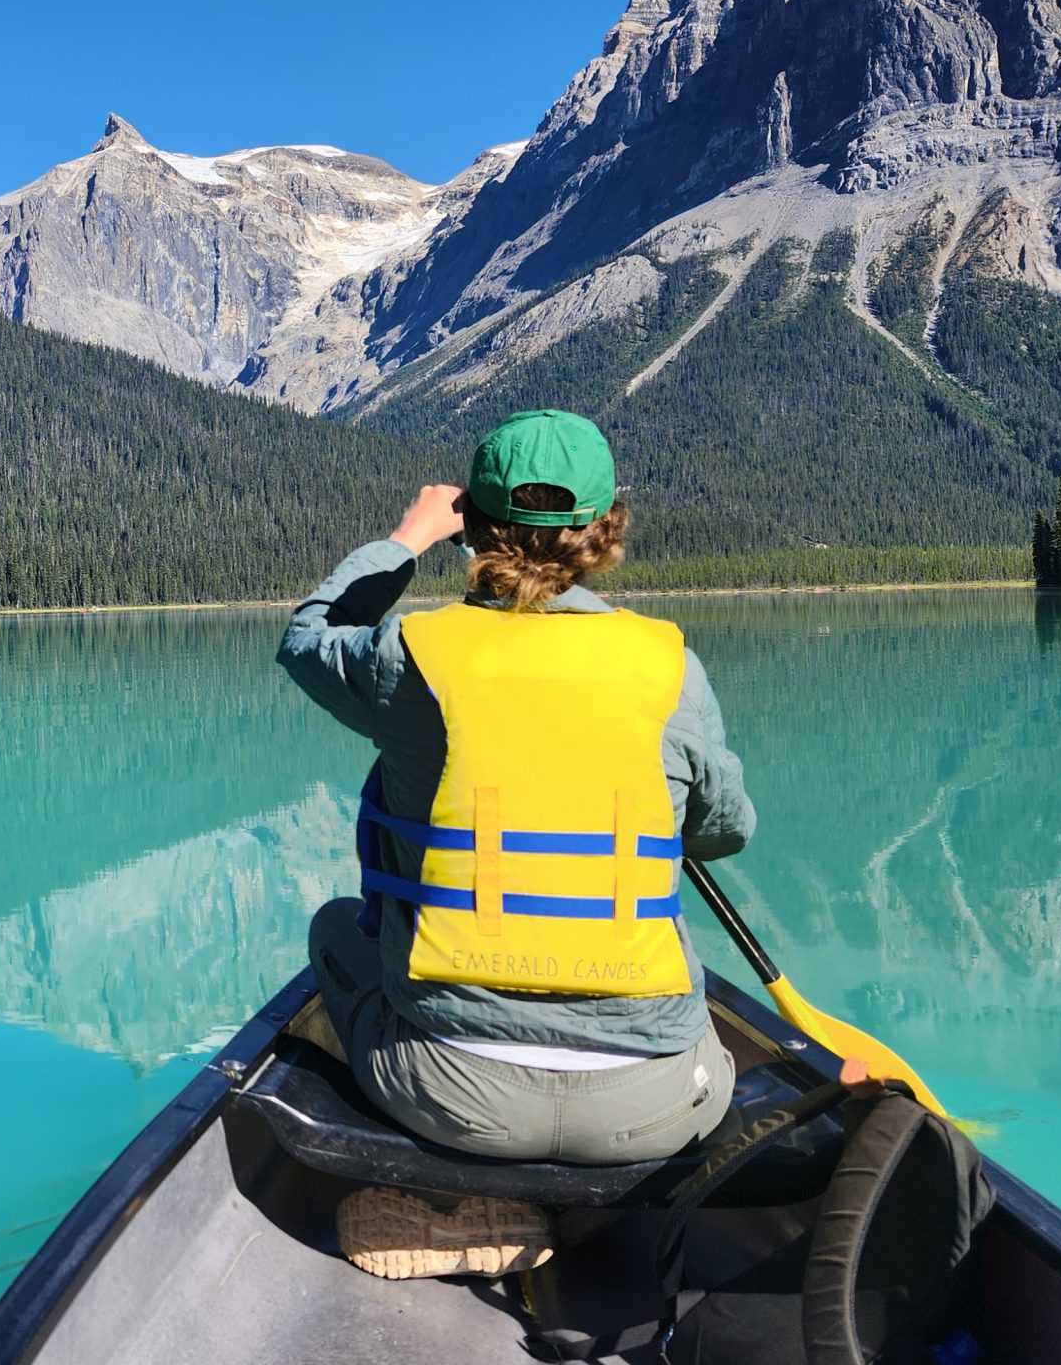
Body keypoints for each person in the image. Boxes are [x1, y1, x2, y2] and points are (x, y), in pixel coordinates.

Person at [278, 410, 754, 1278]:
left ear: (474, 526)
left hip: (452, 1098)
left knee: (336, 928)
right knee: (686, 982)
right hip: (656, 1106)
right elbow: (724, 832)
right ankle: (579, 1227)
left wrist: (405, 539)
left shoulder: (412, 656)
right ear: (606, 530)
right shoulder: (668, 668)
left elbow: (305, 640)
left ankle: (471, 1198)